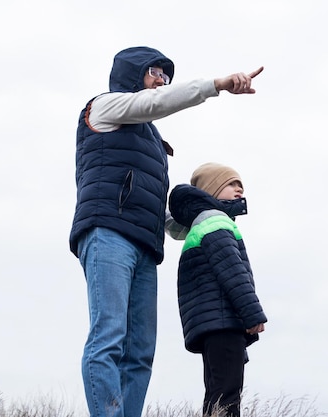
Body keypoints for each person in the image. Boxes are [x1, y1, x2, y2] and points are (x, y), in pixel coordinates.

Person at [69, 46, 263, 417]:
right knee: (109, 337)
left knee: (140, 350)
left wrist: (205, 219)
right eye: (156, 72)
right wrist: (216, 84)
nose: (162, 81)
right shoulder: (105, 107)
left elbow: (159, 215)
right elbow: (156, 103)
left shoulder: (154, 142)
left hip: (145, 247)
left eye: (166, 76)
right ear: (132, 72)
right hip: (107, 233)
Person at [168, 162, 268, 417]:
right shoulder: (215, 221)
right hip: (224, 321)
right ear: (211, 190)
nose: (239, 190)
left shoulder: (199, 224)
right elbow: (232, 269)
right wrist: (252, 314)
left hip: (211, 323)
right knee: (228, 394)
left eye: (241, 185)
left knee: (216, 393)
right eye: (231, 184)